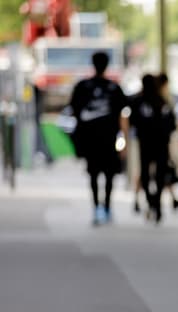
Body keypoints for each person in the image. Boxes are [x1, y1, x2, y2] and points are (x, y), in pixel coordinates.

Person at [69, 51, 128, 225]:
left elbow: (74, 112)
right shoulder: (113, 88)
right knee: (109, 176)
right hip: (108, 140)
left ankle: (97, 208)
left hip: (90, 141)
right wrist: (124, 140)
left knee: (94, 176)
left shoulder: (82, 87)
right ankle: (107, 207)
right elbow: (123, 116)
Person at [129, 72, 176, 224]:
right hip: (162, 143)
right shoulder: (162, 101)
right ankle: (157, 203)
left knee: (145, 173)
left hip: (145, 143)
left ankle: (151, 201)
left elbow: (132, 122)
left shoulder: (138, 101)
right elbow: (172, 124)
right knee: (160, 174)